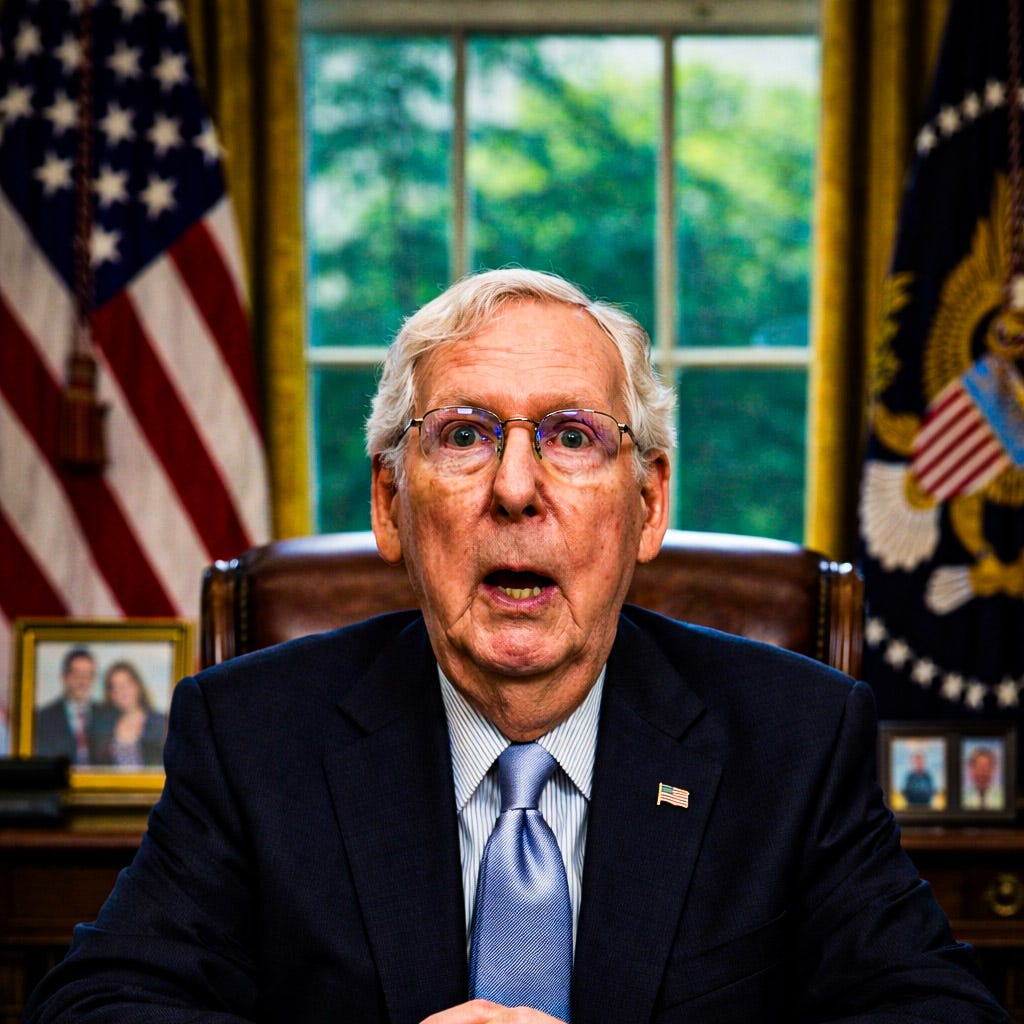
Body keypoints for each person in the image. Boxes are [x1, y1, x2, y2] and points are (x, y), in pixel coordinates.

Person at [25, 269, 1010, 1024]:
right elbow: (96, 1006)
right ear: (390, 504)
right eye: (463, 435)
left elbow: (938, 1014)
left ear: (648, 504)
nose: (514, 487)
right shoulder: (252, 734)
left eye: (572, 436)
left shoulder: (794, 739)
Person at [33, 647, 115, 766]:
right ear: (64, 677)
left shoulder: (107, 715)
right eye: (76, 674)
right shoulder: (42, 718)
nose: (83, 681)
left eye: (88, 674)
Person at [95, 660, 168, 767]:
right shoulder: (103, 726)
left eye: (125, 685)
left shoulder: (160, 722)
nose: (121, 693)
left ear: (137, 686)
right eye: (114, 688)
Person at [962, 745, 1004, 811]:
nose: (982, 774)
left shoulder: (1003, 795)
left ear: (993, 770)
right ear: (971, 770)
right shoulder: (962, 795)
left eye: (987, 768)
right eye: (979, 768)